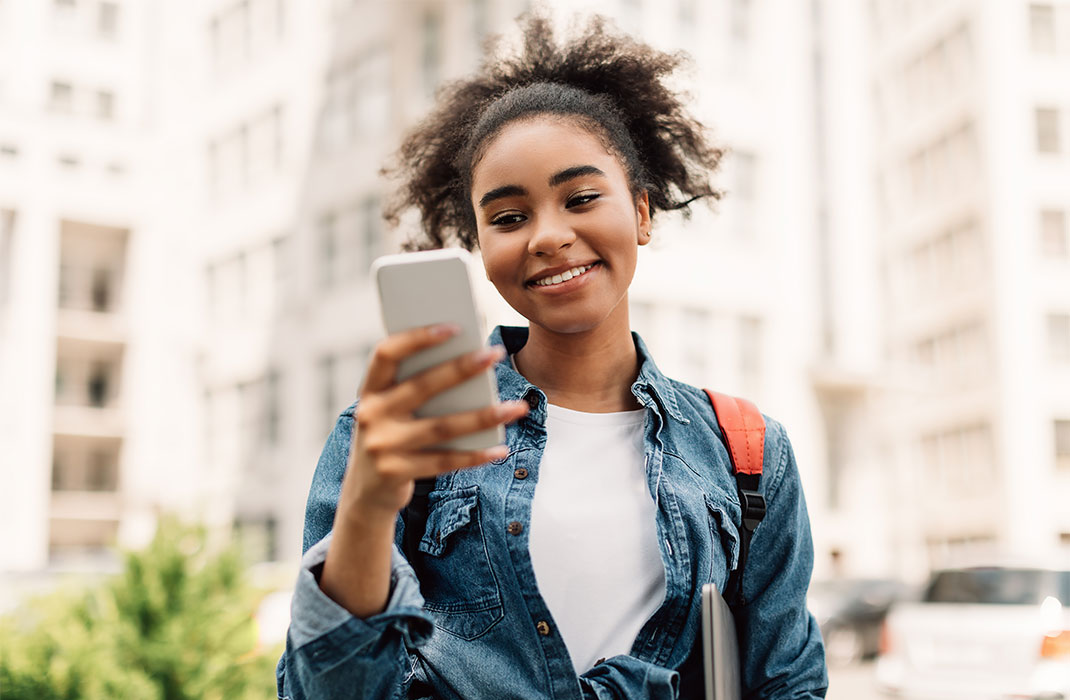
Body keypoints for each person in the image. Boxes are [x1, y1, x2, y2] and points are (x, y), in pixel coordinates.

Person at [276, 14, 827, 700]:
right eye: (509, 217)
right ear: (478, 243)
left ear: (643, 211)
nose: (548, 235)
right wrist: (365, 511)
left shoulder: (746, 451)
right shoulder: (397, 436)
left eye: (581, 197)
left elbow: (788, 683)